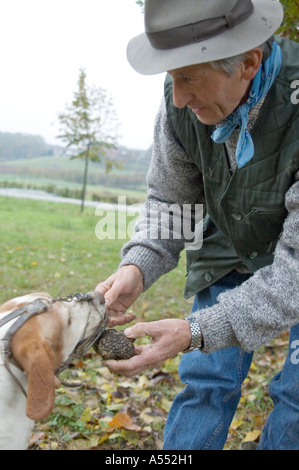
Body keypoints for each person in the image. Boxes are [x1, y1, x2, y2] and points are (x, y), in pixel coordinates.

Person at [96, 0, 299, 450]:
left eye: (189, 78)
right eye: (172, 78)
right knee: (206, 380)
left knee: (297, 398)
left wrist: (196, 329)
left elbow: (296, 270)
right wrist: (139, 266)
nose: (177, 98)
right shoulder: (180, 107)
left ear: (249, 63)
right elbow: (172, 199)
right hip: (230, 250)